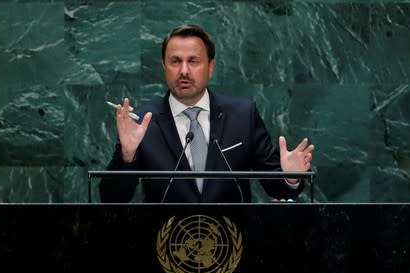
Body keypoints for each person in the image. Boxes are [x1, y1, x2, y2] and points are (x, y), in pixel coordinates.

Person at [99, 24, 314, 203]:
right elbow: (111, 198)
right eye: (175, 61)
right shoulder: (143, 121)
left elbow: (278, 189)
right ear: (164, 66)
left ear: (210, 67)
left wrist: (291, 178)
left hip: (232, 242)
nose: (184, 71)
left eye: (193, 61)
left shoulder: (242, 115)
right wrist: (127, 155)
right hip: (167, 243)